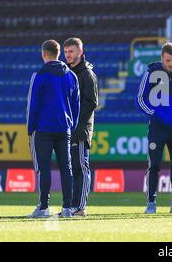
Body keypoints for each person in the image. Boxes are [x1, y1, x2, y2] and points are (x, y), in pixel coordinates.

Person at [136, 42, 172, 214]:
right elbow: (140, 98)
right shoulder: (151, 72)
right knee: (154, 166)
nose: (171, 64)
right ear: (162, 58)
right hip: (157, 128)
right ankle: (151, 203)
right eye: (168, 60)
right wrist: (155, 114)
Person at [26, 39, 80, 218]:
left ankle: (43, 207)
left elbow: (32, 105)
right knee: (67, 168)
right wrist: (71, 125)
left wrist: (30, 128)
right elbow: (76, 104)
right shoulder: (71, 76)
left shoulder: (39, 75)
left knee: (44, 168)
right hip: (64, 128)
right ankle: (67, 208)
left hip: (44, 129)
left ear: (44, 54)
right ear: (58, 54)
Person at [64, 38, 98, 216]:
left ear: (80, 52)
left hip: (80, 129)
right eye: (66, 52)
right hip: (68, 129)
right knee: (71, 170)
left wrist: (74, 120)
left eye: (71, 51)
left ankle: (80, 207)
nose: (68, 55)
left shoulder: (87, 74)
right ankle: (70, 206)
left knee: (81, 168)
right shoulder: (66, 73)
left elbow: (92, 102)